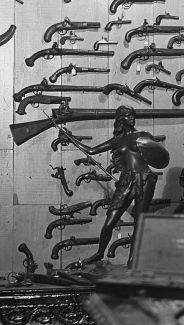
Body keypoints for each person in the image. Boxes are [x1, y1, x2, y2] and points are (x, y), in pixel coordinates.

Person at [71, 105, 170, 267]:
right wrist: (70, 138)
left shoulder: (143, 135)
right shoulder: (118, 140)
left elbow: (159, 157)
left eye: (133, 115)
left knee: (139, 220)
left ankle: (132, 260)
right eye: (128, 116)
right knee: (110, 221)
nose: (132, 118)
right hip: (126, 180)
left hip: (144, 179)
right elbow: (91, 150)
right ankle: (99, 252)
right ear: (121, 119)